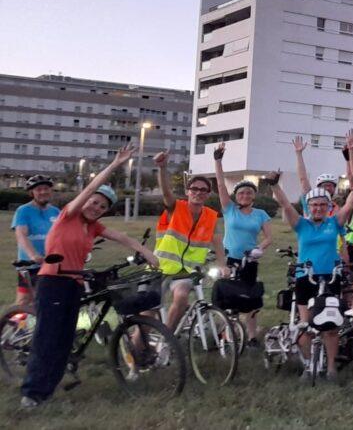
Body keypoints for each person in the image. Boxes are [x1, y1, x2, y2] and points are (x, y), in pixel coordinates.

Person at [20, 144, 160, 408]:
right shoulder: (68, 215)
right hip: (53, 281)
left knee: (64, 341)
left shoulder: (92, 226)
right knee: (48, 338)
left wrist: (146, 252)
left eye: (102, 206)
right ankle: (32, 393)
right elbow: (89, 187)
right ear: (86, 200)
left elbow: (121, 236)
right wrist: (115, 164)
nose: (96, 207)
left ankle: (48, 389)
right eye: (94, 202)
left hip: (74, 284)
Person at [269, 170, 353, 382]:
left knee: (331, 326)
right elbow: (285, 205)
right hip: (306, 277)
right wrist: (275, 185)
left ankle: (330, 368)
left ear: (328, 207)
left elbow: (349, 205)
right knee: (306, 325)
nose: (318, 208)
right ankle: (309, 365)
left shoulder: (334, 223)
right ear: (308, 207)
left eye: (322, 205)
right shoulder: (302, 224)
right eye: (314, 205)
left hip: (330, 277)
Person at [151, 149, 224, 331]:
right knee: (148, 312)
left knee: (182, 297)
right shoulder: (176, 208)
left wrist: (223, 264)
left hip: (186, 271)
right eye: (194, 189)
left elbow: (217, 241)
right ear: (187, 191)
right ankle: (137, 351)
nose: (198, 193)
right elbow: (166, 192)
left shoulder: (211, 216)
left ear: (208, 194)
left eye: (203, 190)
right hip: (160, 267)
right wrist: (162, 168)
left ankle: (166, 339)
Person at [213, 142, 273, 340]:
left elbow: (269, 238)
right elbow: (221, 184)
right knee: (231, 298)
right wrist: (218, 161)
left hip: (250, 260)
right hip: (230, 258)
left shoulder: (261, 214)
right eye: (241, 193)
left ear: (254, 195)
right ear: (236, 196)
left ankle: (252, 335)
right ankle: (229, 334)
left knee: (251, 300)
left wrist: (259, 248)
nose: (245, 195)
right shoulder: (229, 209)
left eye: (248, 192)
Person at [11, 175, 59, 307]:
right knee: (23, 302)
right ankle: (12, 325)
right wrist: (33, 255)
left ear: (51, 191)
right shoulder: (23, 211)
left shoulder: (55, 211)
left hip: (50, 265)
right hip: (29, 266)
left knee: (47, 301)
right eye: (38, 189)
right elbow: (21, 234)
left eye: (46, 188)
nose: (43, 192)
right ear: (32, 192)